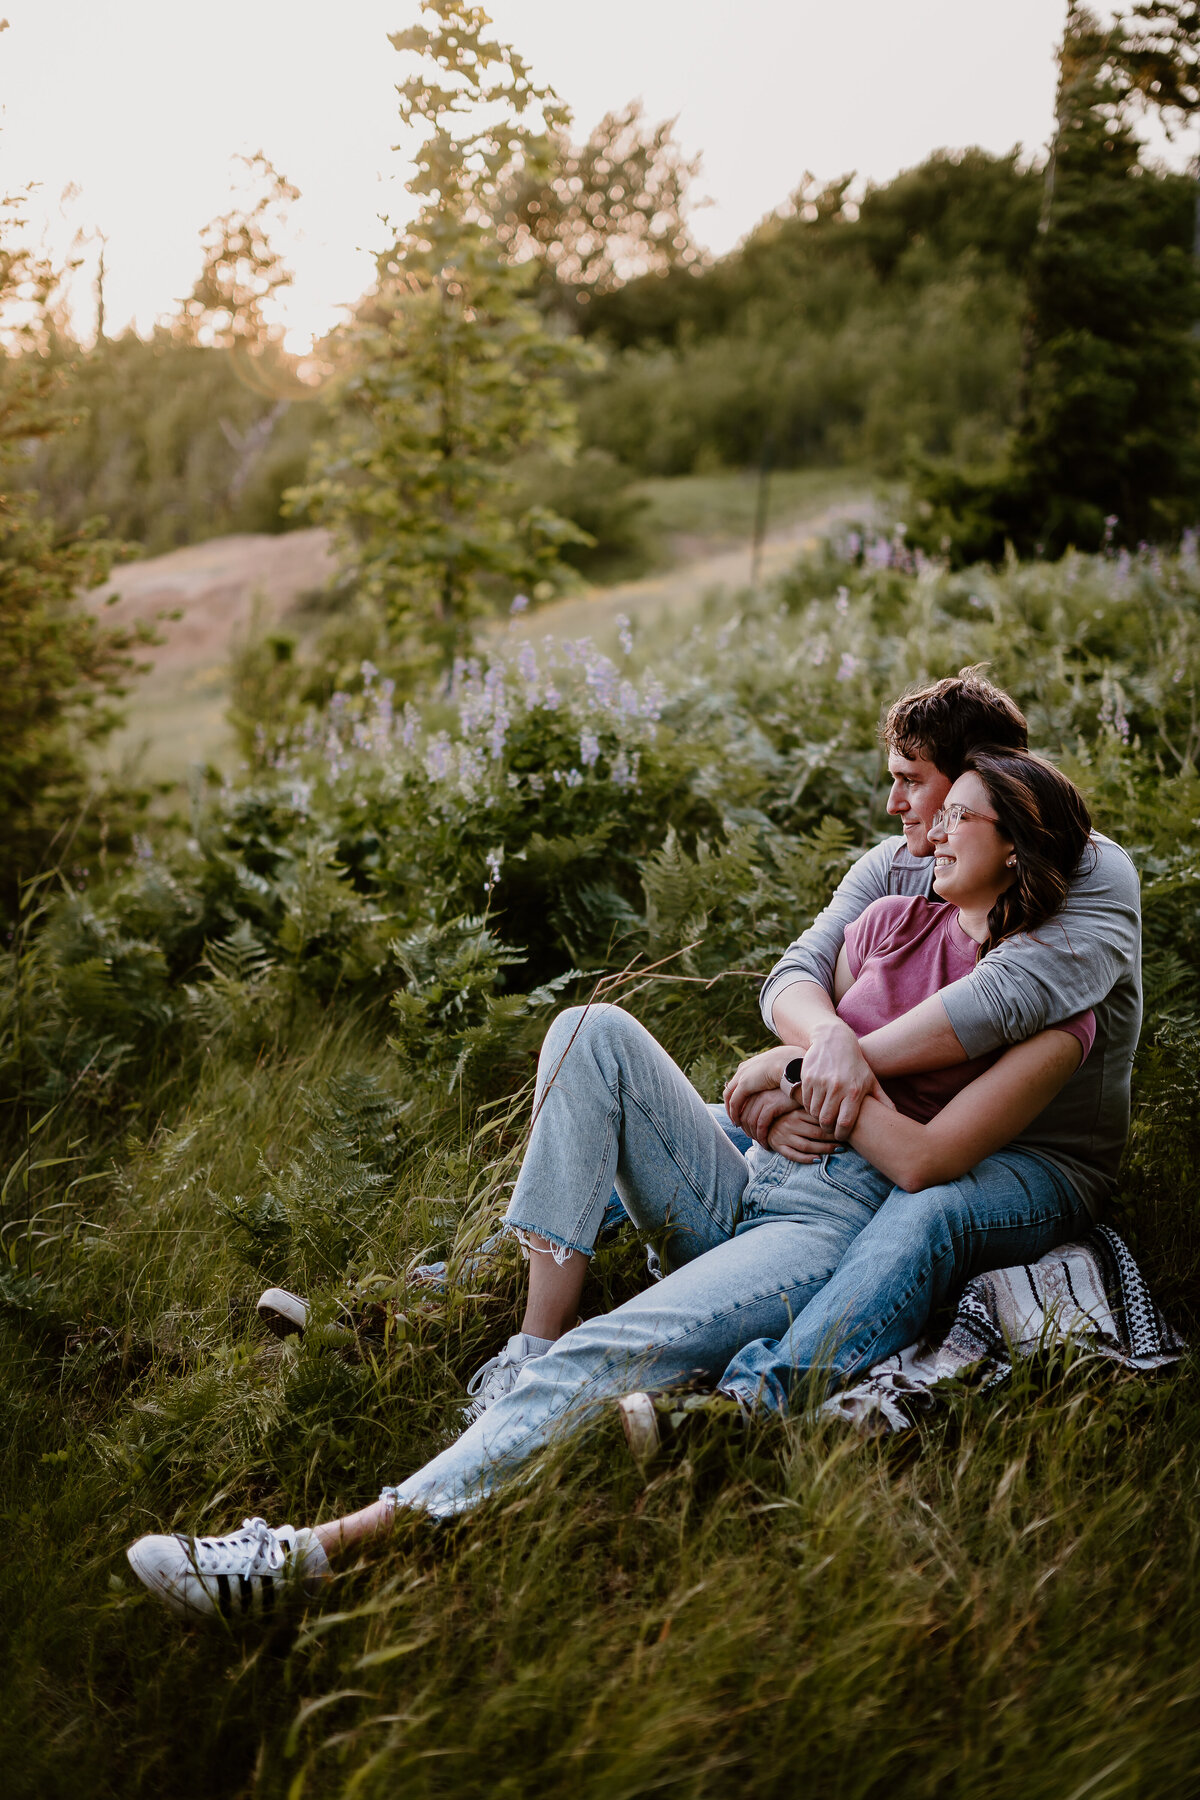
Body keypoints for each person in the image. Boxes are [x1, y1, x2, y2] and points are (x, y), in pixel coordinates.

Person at [128, 727, 1135, 1620]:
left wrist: (798, 1080)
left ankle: (312, 1554)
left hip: (826, 1224)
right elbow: (795, 1008)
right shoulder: (888, 913)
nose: (918, 828)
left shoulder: (1048, 1005)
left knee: (608, 1352)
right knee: (590, 1029)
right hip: (750, 1177)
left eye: (954, 810)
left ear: (1017, 844)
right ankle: (518, 1337)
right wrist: (786, 1083)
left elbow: (918, 1156)